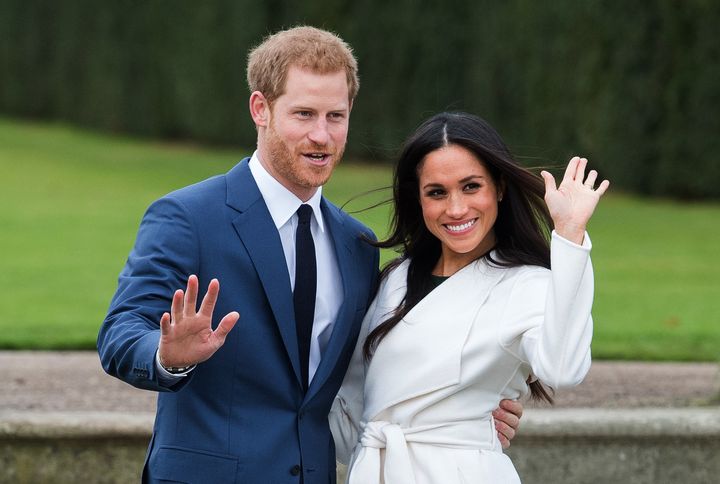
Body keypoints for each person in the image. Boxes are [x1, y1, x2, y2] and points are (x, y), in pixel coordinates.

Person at [97, 29, 522, 483]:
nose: (321, 135)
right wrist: (168, 356)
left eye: (335, 116)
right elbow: (120, 332)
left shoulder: (357, 245)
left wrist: (459, 411)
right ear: (260, 109)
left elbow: (370, 372)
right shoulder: (187, 217)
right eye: (303, 114)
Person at [330, 111, 610, 483]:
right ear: (419, 199)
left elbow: (562, 369)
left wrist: (570, 236)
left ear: (499, 187)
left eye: (471, 186)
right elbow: (351, 404)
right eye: (437, 192)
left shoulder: (527, 285)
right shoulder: (395, 280)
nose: (457, 208)